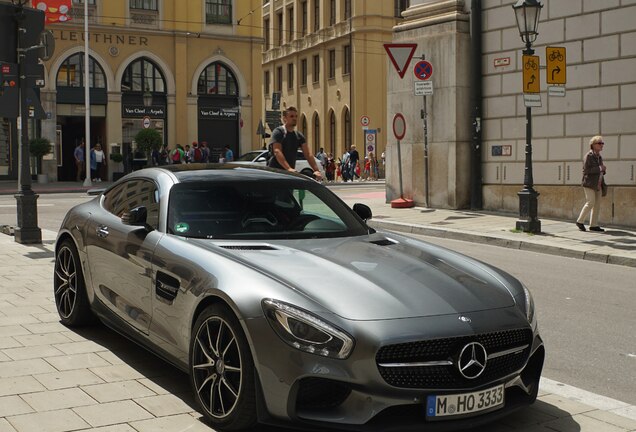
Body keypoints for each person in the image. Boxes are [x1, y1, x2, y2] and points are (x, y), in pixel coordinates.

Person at [268, 106, 323, 180]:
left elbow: (308, 154)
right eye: (291, 116)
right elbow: (277, 151)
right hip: (275, 173)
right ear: (284, 119)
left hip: (289, 175)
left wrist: (316, 170)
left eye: (296, 116)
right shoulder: (279, 132)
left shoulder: (298, 135)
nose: (294, 118)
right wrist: (288, 168)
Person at [576, 135, 607, 232]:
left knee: (597, 204)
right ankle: (579, 221)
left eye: (602, 143)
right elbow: (586, 170)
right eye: (599, 143)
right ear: (593, 145)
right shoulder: (588, 156)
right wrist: (600, 168)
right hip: (589, 183)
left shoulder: (599, 157)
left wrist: (603, 170)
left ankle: (593, 225)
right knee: (591, 202)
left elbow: (600, 170)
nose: (602, 145)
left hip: (598, 183)